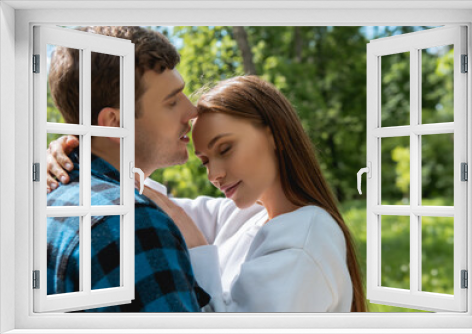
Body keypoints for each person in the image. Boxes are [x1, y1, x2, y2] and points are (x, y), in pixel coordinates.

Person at [48, 75, 367, 312]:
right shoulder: (252, 216)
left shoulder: (305, 239)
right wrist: (81, 151)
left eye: (225, 148)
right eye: (204, 161)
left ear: (274, 134)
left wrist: (199, 248)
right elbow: (153, 201)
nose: (214, 174)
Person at [45, 26, 209, 312]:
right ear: (114, 123)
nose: (192, 111)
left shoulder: (39, 202)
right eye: (172, 101)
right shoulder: (133, 223)